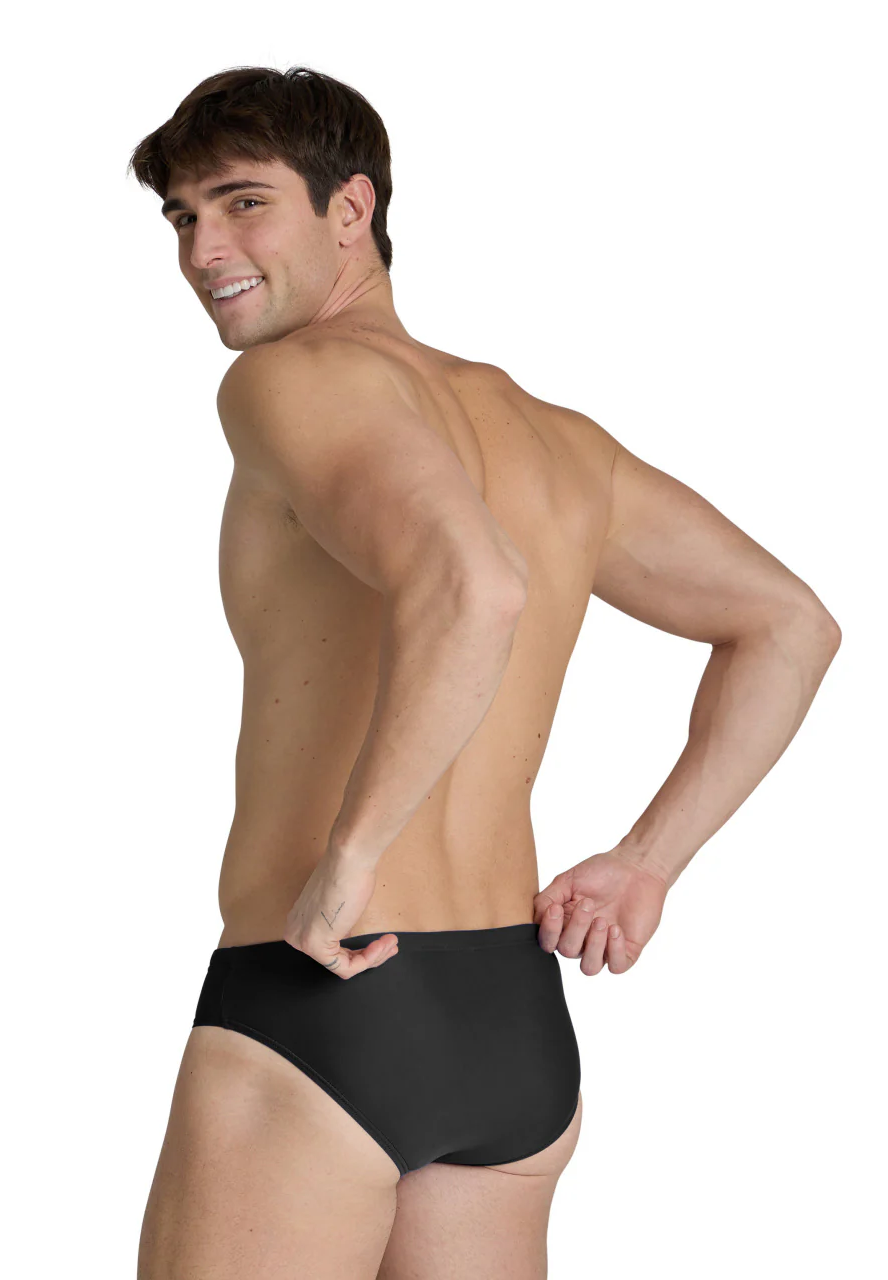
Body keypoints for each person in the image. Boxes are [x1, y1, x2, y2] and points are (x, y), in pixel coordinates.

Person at [127, 66, 841, 1280]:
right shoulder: (556, 441)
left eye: (244, 203)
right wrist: (646, 862)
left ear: (351, 207)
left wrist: (349, 858)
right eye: (181, 217)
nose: (204, 251)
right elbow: (787, 624)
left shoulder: (286, 379)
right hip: (508, 1020)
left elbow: (474, 585)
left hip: (327, 995)